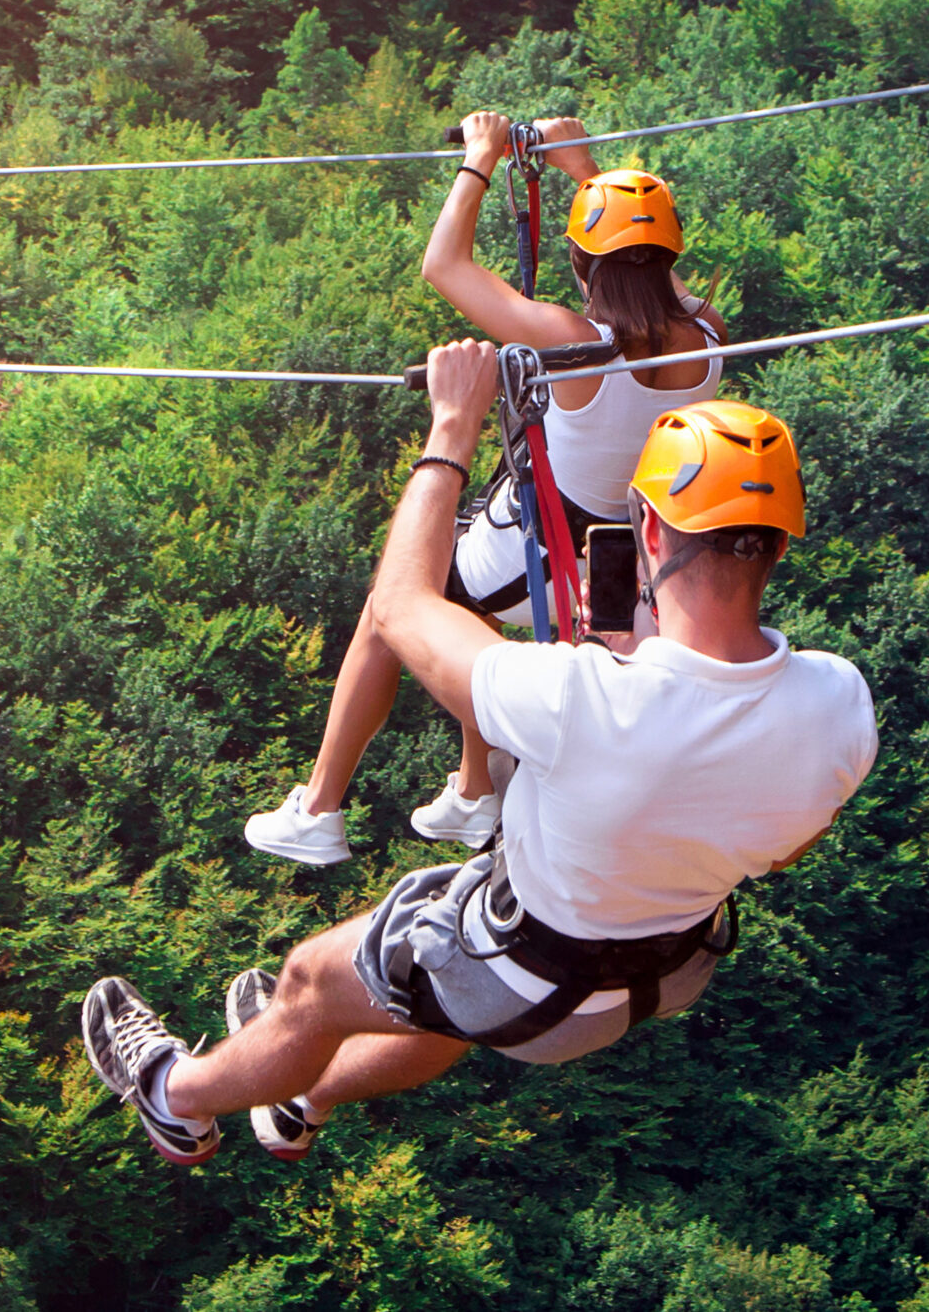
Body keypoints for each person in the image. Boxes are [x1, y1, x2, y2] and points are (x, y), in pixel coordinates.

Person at [84, 343, 876, 1166]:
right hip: (660, 973)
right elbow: (785, 846)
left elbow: (399, 606)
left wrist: (453, 426)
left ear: (647, 526)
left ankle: (173, 1097)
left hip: (527, 974)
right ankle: (301, 1099)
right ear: (780, 545)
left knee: (310, 984)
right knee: (441, 999)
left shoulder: (578, 697)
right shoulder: (840, 705)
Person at [244, 112, 729, 866]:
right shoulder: (709, 336)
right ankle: (476, 790)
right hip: (623, 560)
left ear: (580, 260)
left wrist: (479, 158)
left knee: (391, 605)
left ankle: (319, 806)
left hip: (545, 547)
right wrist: (583, 170)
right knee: (471, 603)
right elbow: (651, 270)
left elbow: (444, 265)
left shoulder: (572, 341)